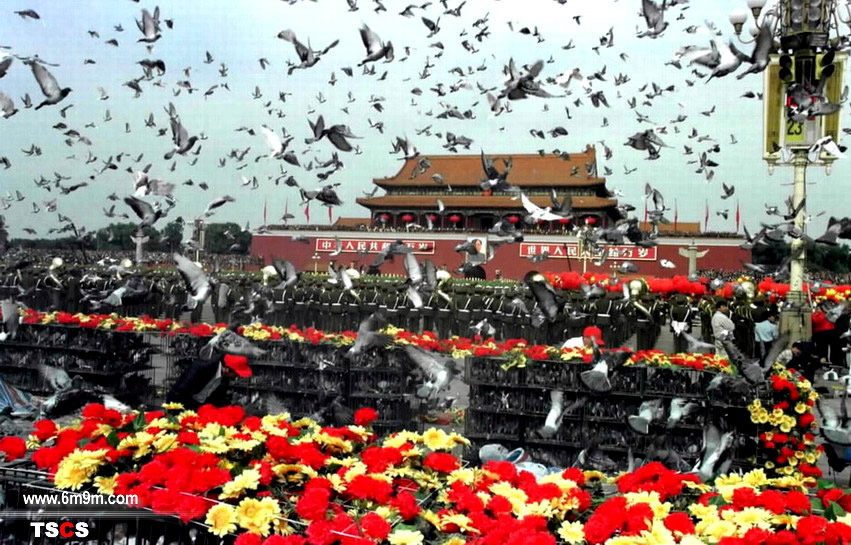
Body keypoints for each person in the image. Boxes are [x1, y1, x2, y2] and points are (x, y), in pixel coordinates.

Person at [166, 353, 253, 410]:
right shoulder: (201, 367)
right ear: (227, 369)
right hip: (183, 402)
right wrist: (174, 409)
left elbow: (219, 399)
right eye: (236, 374)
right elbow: (180, 389)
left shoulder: (224, 378)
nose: (237, 377)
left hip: (200, 406)